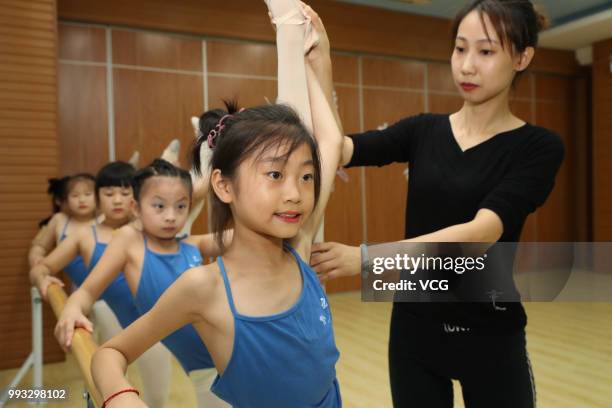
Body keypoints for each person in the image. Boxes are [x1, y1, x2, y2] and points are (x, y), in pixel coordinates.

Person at [88, 1, 344, 406]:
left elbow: (326, 141)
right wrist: (120, 396)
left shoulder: (300, 247)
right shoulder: (201, 288)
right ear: (223, 186)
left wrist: (311, 57)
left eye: (307, 177)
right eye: (275, 175)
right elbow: (110, 353)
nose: (295, 192)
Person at [310, 1, 564, 407]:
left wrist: (367, 260)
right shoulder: (423, 130)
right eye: (460, 49)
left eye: (485, 51)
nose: (466, 65)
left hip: (491, 334)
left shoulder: (538, 147)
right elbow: (336, 148)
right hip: (415, 333)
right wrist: (320, 60)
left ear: (522, 57)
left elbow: (480, 234)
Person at [29, 161, 171, 408]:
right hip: (109, 318)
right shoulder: (85, 234)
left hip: (152, 326)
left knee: (157, 398)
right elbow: (42, 267)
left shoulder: (149, 229)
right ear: (98, 197)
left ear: (136, 198)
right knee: (110, 390)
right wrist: (44, 279)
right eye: (109, 193)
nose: (117, 200)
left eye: (125, 193)